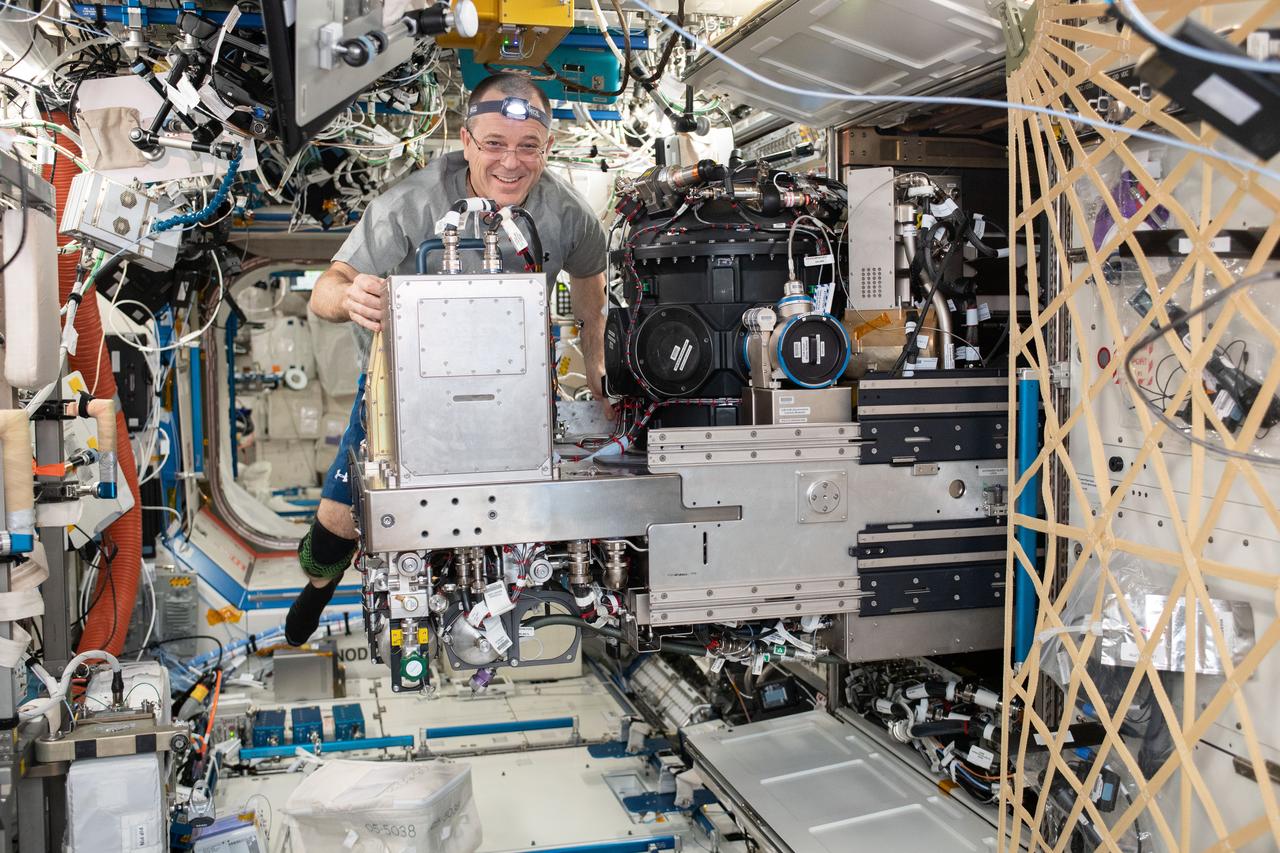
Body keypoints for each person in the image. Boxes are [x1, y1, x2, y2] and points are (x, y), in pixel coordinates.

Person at [284, 72, 609, 645]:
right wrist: (351, 296)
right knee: (341, 518)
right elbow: (325, 291)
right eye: (495, 144)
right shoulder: (412, 204)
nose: (511, 162)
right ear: (466, 141)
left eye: (528, 147)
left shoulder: (566, 213)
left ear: (547, 147)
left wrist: (598, 368)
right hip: (404, 391)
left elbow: (590, 283)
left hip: (516, 387)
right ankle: (318, 586)